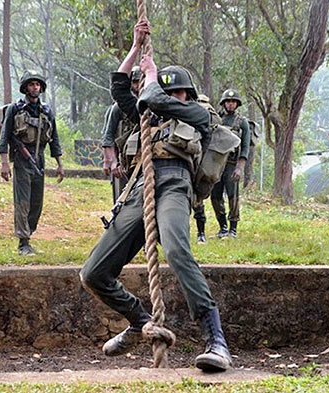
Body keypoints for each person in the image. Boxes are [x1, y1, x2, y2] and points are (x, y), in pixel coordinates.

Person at [79, 20, 232, 372]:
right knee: (93, 273)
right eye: (171, 92)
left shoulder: (200, 114)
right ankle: (138, 320)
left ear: (188, 96)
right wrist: (135, 49)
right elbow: (120, 90)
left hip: (175, 185)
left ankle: (216, 340)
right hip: (139, 189)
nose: (174, 98)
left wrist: (150, 75)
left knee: (177, 250)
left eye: (178, 93)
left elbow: (151, 96)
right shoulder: (147, 116)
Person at [0, 70, 64, 256]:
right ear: (25, 87)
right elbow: (4, 137)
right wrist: (4, 163)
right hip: (21, 158)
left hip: (39, 159)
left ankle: (29, 232)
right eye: (31, 84)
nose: (35, 87)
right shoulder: (15, 109)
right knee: (23, 201)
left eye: (38, 84)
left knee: (36, 203)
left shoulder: (46, 110)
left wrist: (59, 164)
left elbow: (54, 139)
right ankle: (23, 242)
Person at [211, 89, 251, 239]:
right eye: (228, 101)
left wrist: (240, 168)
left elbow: (245, 147)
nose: (230, 104)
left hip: (232, 164)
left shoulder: (242, 122)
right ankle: (222, 228)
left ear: (237, 104)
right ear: (223, 103)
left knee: (233, 197)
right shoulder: (216, 119)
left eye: (233, 102)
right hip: (215, 164)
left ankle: (233, 229)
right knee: (215, 196)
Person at [101, 66, 144, 203]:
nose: (138, 86)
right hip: (123, 163)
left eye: (141, 81)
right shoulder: (118, 108)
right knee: (122, 202)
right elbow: (108, 137)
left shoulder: (152, 104)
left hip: (144, 161)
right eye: (135, 82)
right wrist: (113, 162)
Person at [192, 94, 222, 244]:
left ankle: (198, 233)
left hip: (191, 156)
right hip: (205, 160)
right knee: (198, 200)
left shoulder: (191, 110)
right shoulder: (214, 115)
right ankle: (201, 234)